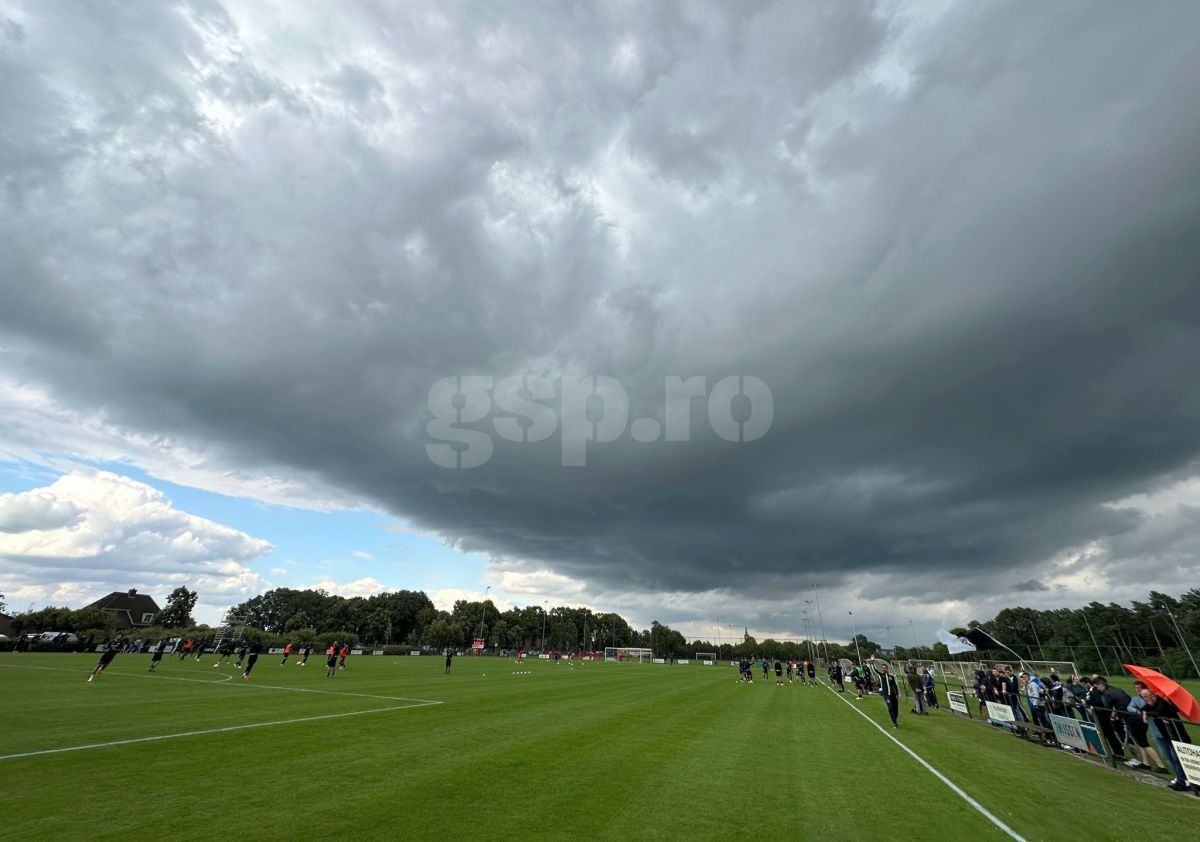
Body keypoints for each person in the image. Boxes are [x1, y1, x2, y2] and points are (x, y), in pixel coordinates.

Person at [1140, 686, 1198, 794]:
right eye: (1143, 697)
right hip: (1168, 735)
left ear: (1153, 695)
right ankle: (1182, 781)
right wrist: (1144, 712)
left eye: (1146, 696)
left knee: (1181, 759)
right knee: (1174, 758)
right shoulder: (1152, 704)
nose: (1145, 699)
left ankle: (1186, 782)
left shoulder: (1162, 703)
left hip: (1178, 735)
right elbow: (1144, 708)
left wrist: (1146, 713)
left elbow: (1158, 713)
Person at [1124, 681, 1168, 772]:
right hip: (1144, 721)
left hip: (1153, 722)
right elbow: (1129, 707)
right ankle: (1146, 763)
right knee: (1142, 742)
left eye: (1139, 688)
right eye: (1136, 688)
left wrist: (1144, 712)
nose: (1137, 690)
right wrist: (1139, 711)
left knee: (1150, 742)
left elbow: (1153, 709)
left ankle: (1161, 766)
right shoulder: (1136, 698)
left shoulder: (1151, 698)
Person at [1092, 677, 1130, 761]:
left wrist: (1112, 715)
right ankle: (1122, 752)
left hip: (1124, 715)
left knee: (1116, 734)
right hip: (1125, 713)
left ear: (1101, 685)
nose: (1097, 689)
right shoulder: (1116, 689)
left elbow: (1108, 707)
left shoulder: (1106, 693)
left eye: (1097, 686)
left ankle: (1122, 754)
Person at [870, 658, 901, 728]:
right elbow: (874, 670)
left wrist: (897, 694)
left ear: (887, 669)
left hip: (893, 694)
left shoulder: (891, 677)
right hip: (886, 695)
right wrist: (872, 662)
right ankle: (894, 722)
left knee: (895, 708)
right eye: (883, 668)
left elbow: (895, 686)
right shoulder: (881, 675)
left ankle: (895, 718)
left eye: (885, 668)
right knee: (890, 708)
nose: (884, 669)